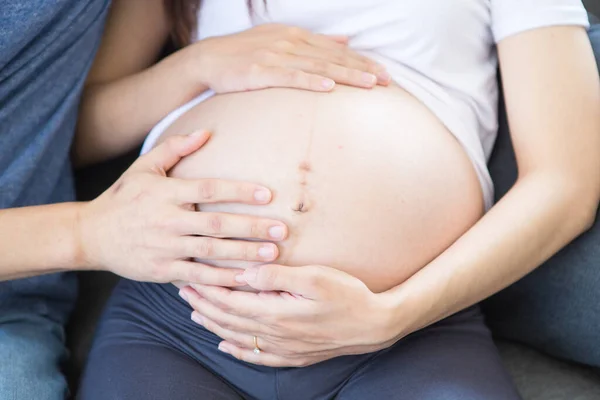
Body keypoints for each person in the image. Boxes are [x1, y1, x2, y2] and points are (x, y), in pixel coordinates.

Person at [77, 0, 600, 399]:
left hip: (411, 331)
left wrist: (393, 315)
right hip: (177, 319)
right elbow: (73, 135)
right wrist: (195, 65)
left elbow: (567, 182)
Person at [0, 1, 378, 399]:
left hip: (25, 297)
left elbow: (58, 130)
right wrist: (86, 233)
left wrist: (398, 314)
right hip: (175, 314)